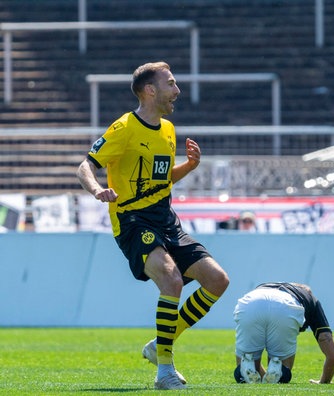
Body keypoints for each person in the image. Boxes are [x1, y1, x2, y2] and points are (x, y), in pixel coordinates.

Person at [76, 61, 230, 390]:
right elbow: (84, 166)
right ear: (150, 90)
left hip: (165, 218)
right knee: (171, 280)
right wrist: (97, 190)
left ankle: (158, 343)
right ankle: (165, 370)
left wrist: (189, 166)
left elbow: (162, 177)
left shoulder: (168, 129)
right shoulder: (124, 128)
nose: (177, 91)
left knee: (218, 280)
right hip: (132, 220)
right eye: (171, 84)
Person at [233, 282, 334, 385]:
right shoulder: (310, 297)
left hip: (251, 302)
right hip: (287, 305)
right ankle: (277, 368)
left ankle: (248, 366)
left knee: (248, 359)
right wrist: (324, 381)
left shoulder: (266, 286)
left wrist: (263, 375)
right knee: (280, 368)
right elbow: (331, 352)